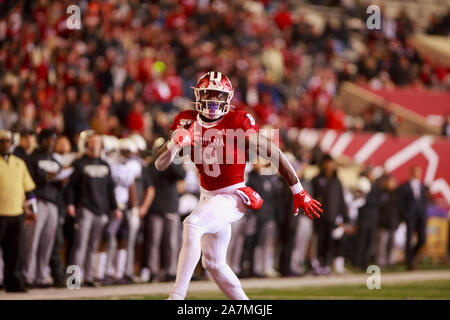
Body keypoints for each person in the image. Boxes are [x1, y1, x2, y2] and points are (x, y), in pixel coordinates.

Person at [153, 72, 322, 300]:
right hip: (208, 197)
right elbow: (159, 164)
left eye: (217, 95)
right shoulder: (186, 120)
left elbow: (272, 151)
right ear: (197, 96)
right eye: (208, 94)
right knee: (213, 263)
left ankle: (176, 297)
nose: (212, 100)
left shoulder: (238, 120)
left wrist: (298, 189)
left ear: (228, 98)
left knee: (192, 224)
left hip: (232, 195)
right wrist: (174, 144)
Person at [65, 133, 120, 286]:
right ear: (87, 145)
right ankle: (73, 280)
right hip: (85, 208)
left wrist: (115, 207)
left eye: (98, 143)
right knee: (80, 244)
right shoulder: (79, 163)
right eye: (93, 143)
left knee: (93, 245)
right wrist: (70, 204)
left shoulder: (105, 164)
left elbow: (110, 189)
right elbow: (70, 187)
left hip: (101, 209)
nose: (96, 146)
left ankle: (89, 277)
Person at [24, 129, 61, 287]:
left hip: (52, 202)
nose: (51, 142)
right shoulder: (33, 158)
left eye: (53, 139)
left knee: (47, 242)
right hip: (38, 200)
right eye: (48, 139)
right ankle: (27, 276)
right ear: (42, 140)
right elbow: (29, 181)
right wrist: (45, 177)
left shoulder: (55, 159)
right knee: (32, 241)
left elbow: (60, 181)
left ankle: (40, 276)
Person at [0, 129, 36, 292]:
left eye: (8, 141)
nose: (5, 144)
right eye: (2, 141)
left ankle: (14, 282)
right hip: (0, 213)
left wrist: (32, 210)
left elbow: (28, 189)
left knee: (15, 252)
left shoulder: (19, 162)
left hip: (16, 213)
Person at [145, 159, 185, 282]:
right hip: (156, 207)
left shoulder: (174, 163)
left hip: (171, 206)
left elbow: (181, 175)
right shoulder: (152, 165)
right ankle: (153, 271)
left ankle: (171, 270)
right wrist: (159, 163)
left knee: (171, 242)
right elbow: (149, 179)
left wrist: (170, 162)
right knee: (153, 241)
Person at [311, 154, 348, 275]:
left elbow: (341, 200)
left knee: (330, 242)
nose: (330, 166)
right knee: (319, 241)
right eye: (327, 163)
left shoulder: (336, 181)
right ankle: (317, 264)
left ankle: (326, 264)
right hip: (319, 217)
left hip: (332, 217)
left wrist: (344, 218)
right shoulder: (317, 180)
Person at [398, 166, 428, 270]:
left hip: (421, 216)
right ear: (412, 172)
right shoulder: (404, 186)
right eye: (416, 171)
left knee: (422, 239)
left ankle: (411, 255)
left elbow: (425, 201)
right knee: (409, 238)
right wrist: (405, 214)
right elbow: (401, 202)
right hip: (410, 216)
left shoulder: (423, 186)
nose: (418, 173)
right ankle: (409, 262)